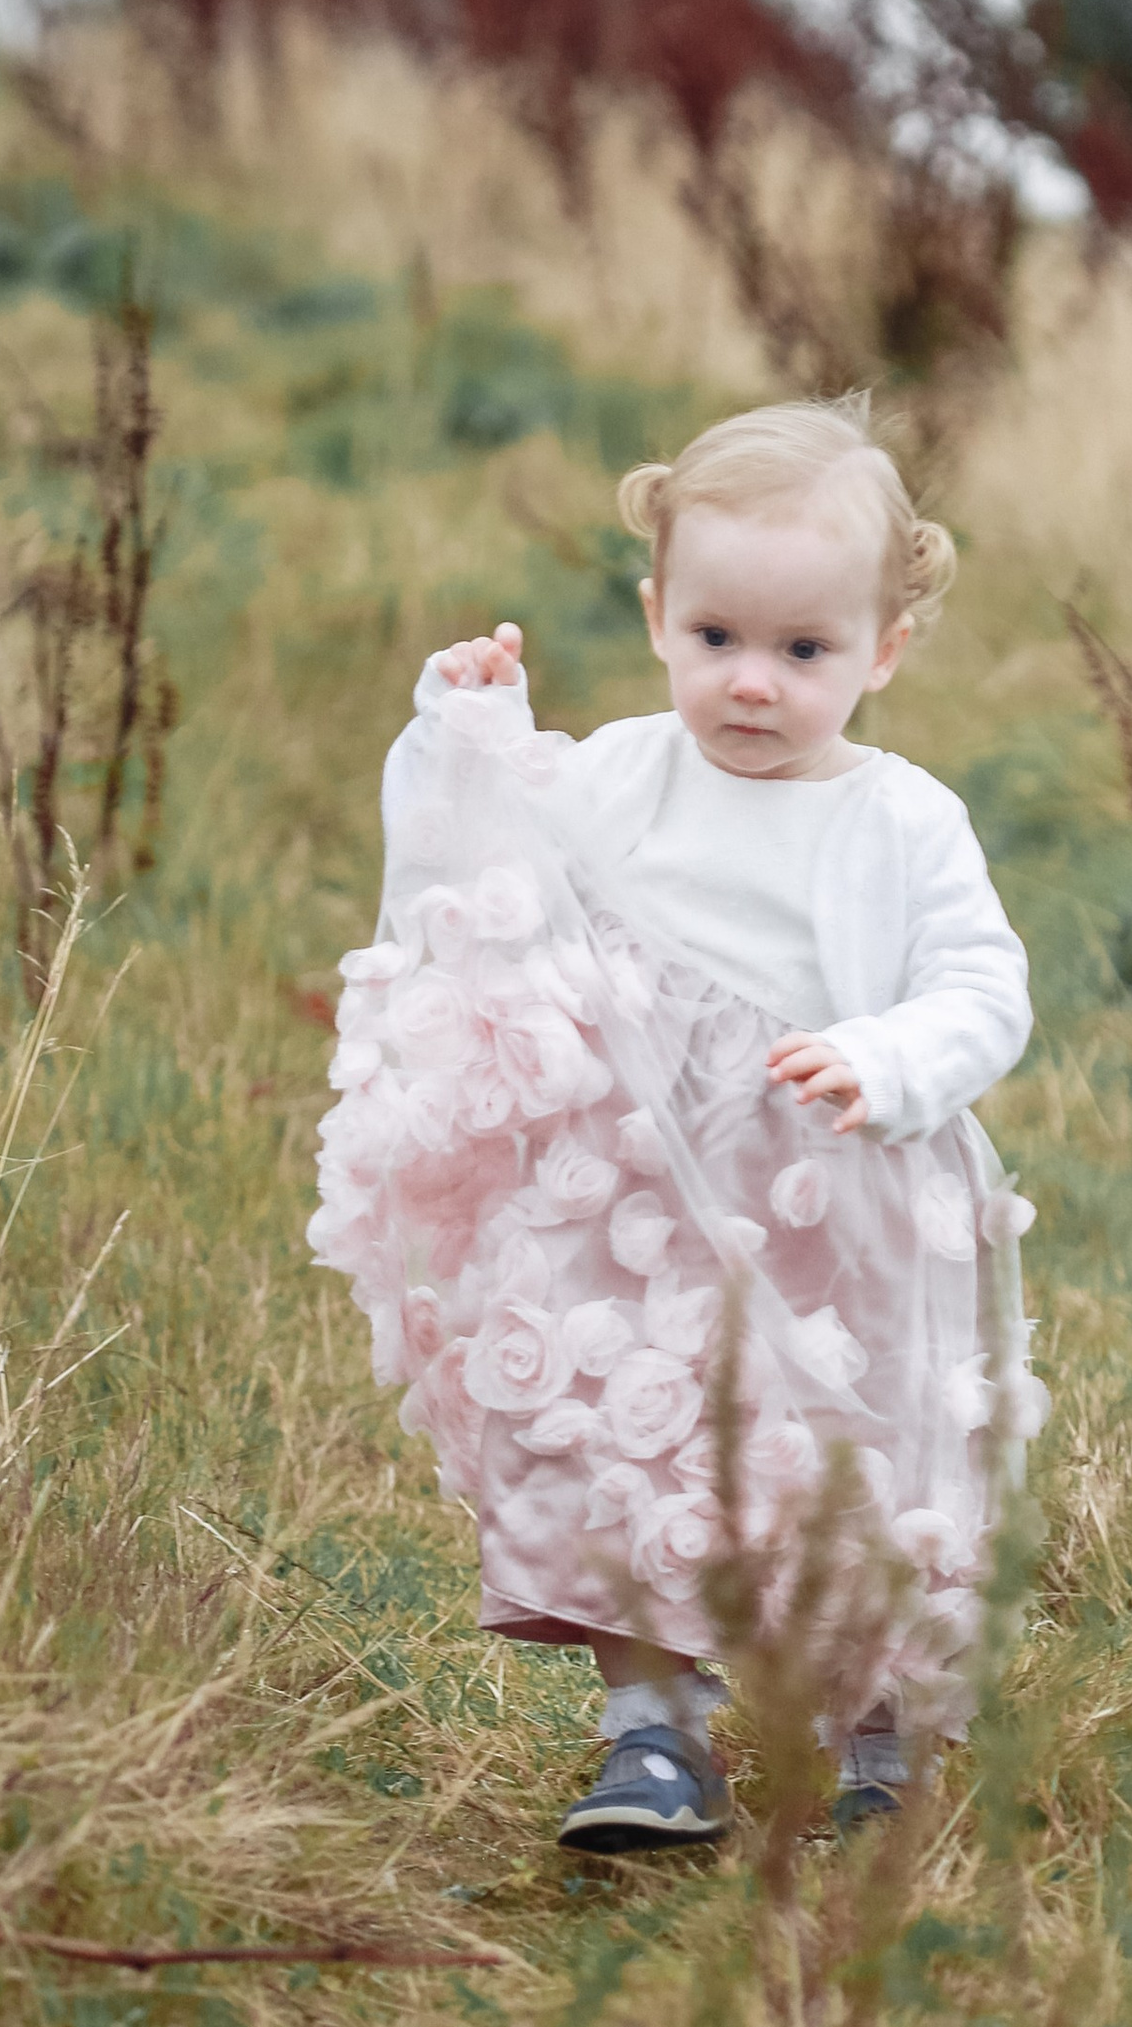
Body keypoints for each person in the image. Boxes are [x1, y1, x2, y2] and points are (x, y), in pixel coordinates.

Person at [309, 395, 1041, 1848]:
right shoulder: (619, 780)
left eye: (804, 651)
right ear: (657, 616)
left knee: (859, 1461)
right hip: (646, 1208)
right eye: (717, 640)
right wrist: (470, 728)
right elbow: (488, 859)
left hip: (845, 1211)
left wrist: (884, 1058)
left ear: (883, 650)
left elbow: (985, 987)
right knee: (628, 1450)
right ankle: (653, 1734)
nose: (753, 684)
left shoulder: (902, 820)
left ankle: (883, 1741)